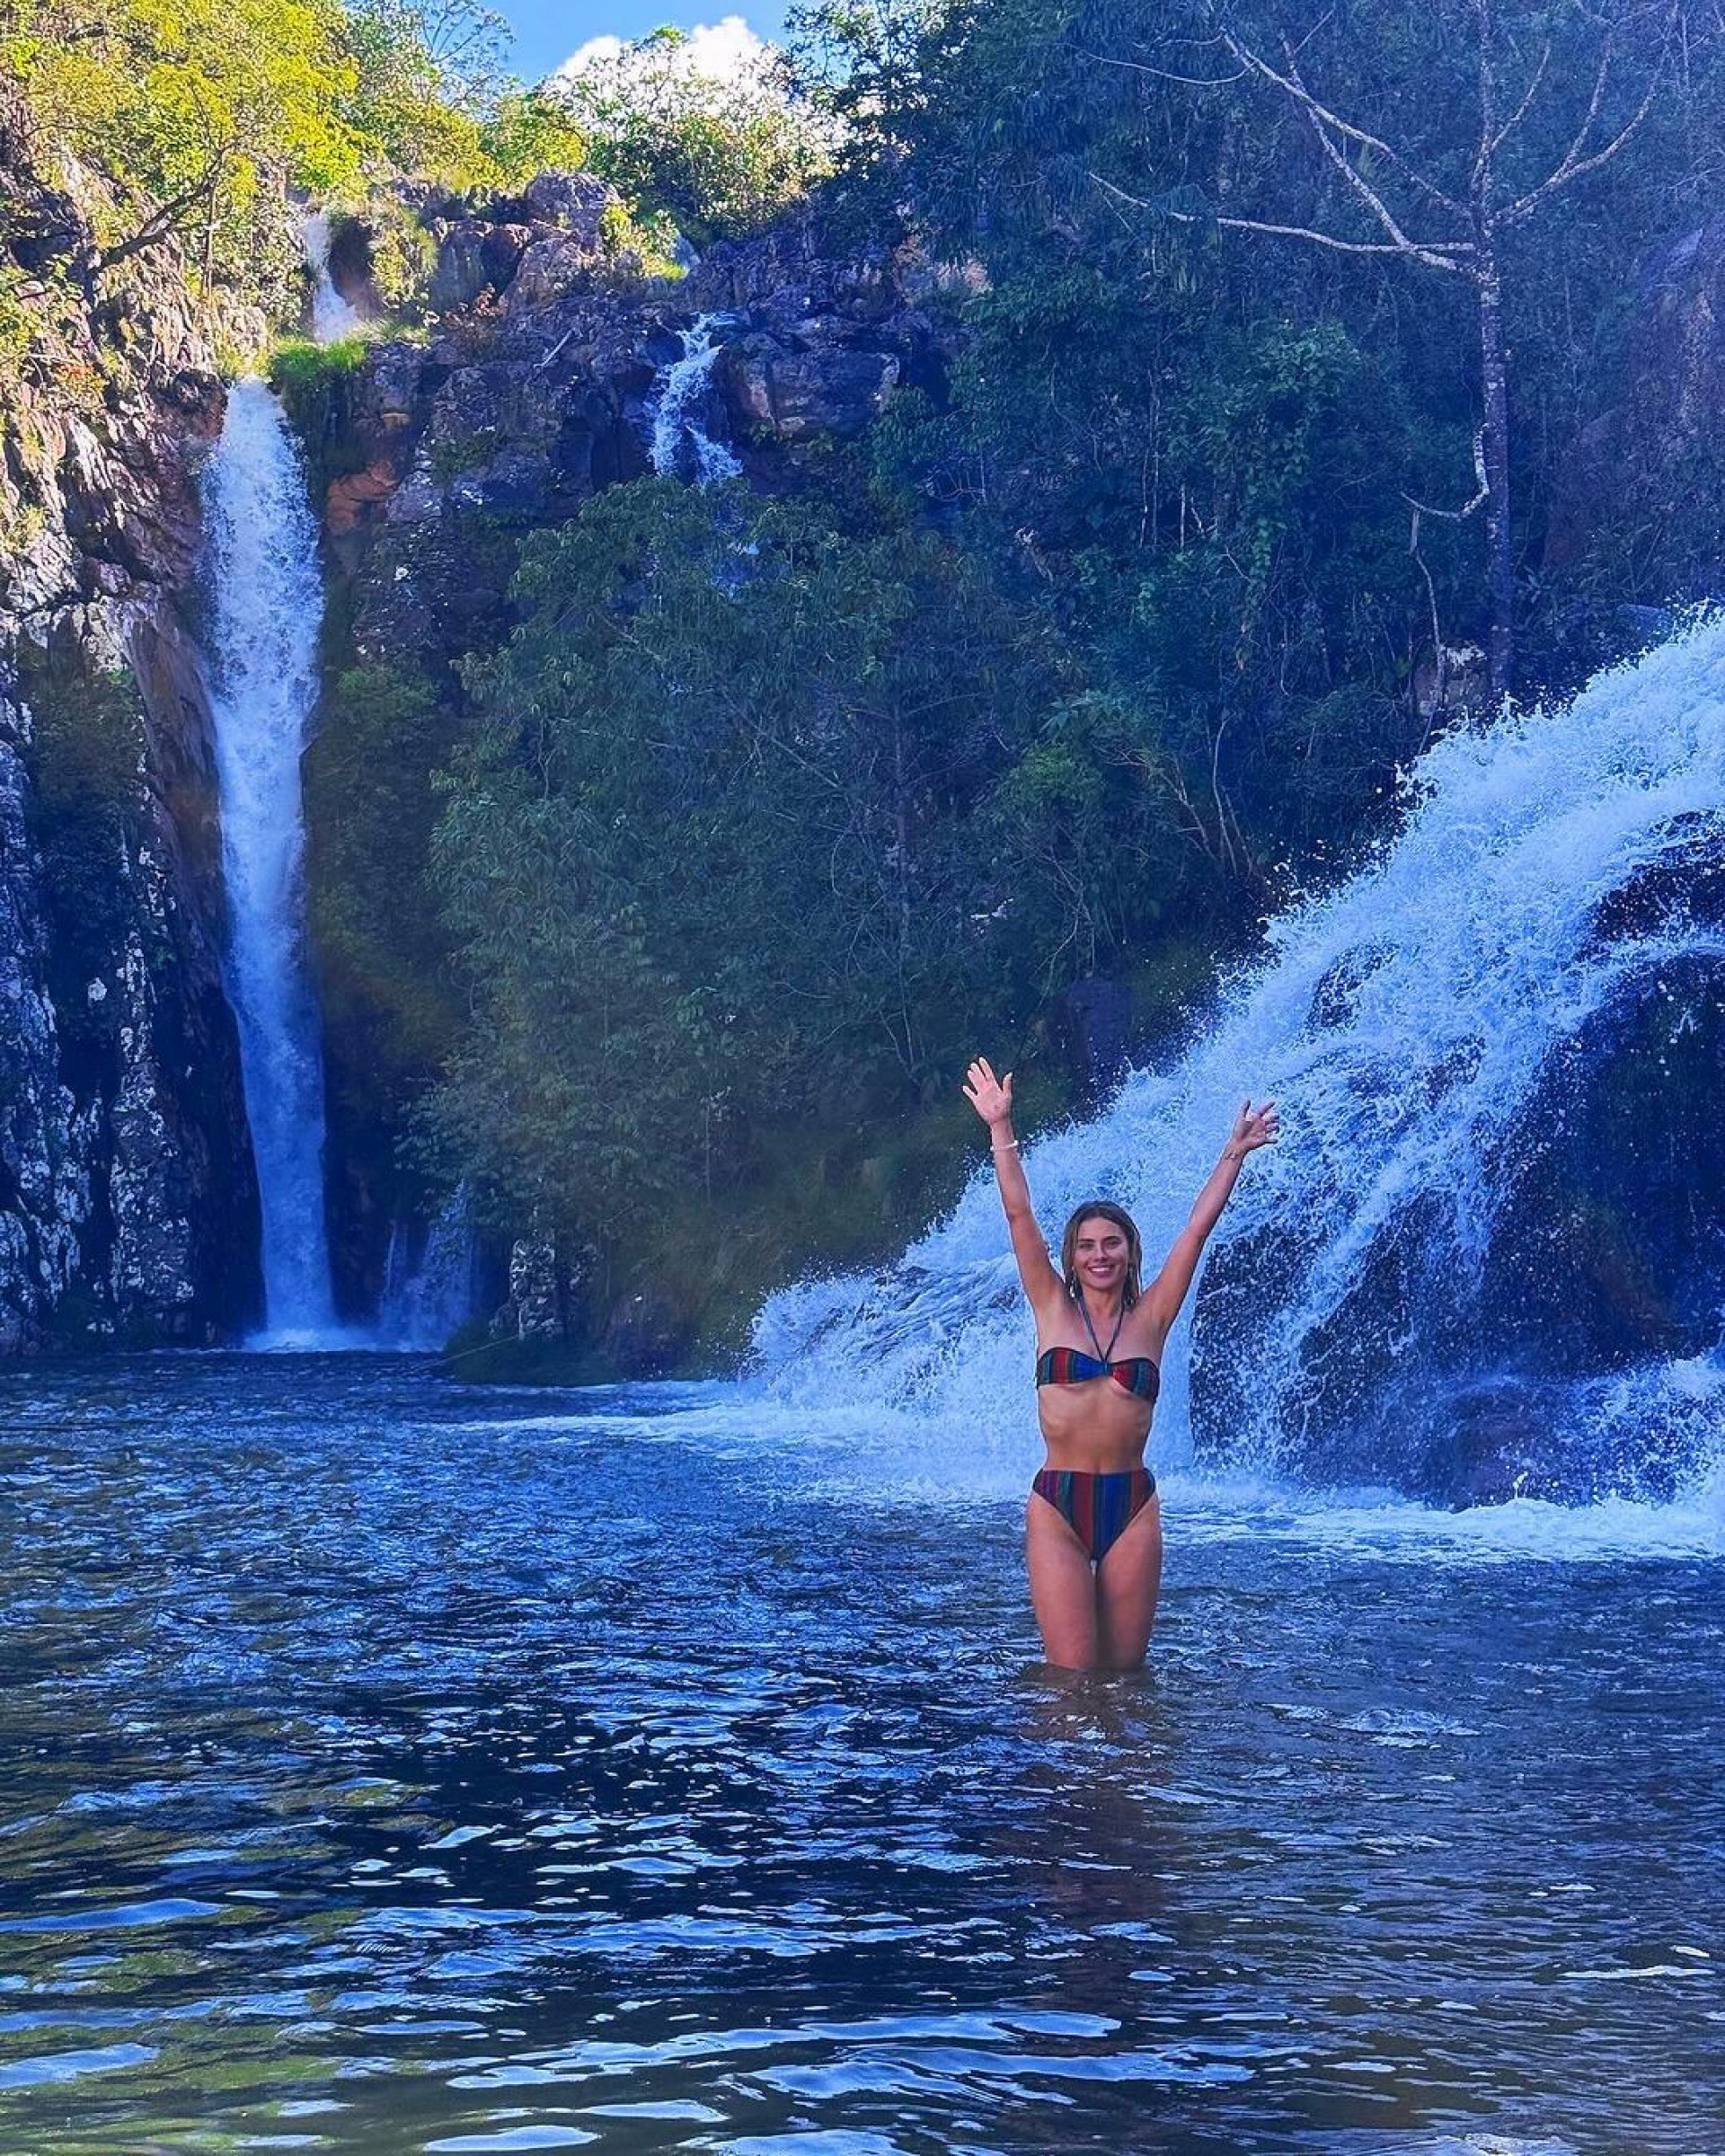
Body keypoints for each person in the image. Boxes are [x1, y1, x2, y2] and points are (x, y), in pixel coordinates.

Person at [962, 1056, 1278, 1672]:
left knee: (1128, 1680)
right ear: (1072, 1259)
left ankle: (1129, 1774)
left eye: (1111, 1243)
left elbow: (1194, 1232)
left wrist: (1233, 1156)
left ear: (1130, 1252)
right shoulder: (1050, 1304)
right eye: (1086, 1246)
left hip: (1132, 1504)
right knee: (1070, 1681)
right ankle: (1070, 1773)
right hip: (1059, 1503)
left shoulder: (1152, 1318)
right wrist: (1001, 1130)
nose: (1099, 1255)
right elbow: (1020, 1217)